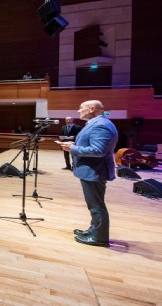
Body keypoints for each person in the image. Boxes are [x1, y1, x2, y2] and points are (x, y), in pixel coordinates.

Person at [59, 100, 118, 247]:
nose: (78, 111)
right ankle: (94, 230)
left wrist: (72, 148)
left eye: (81, 108)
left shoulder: (101, 125)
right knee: (94, 204)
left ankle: (99, 238)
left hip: (95, 170)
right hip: (93, 170)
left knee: (96, 205)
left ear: (92, 109)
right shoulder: (96, 123)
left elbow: (98, 151)